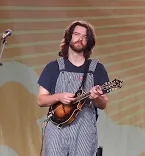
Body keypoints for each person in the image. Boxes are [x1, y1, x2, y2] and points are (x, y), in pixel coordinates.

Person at [37, 20, 110, 156]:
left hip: (84, 130)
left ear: (89, 42)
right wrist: (58, 97)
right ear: (69, 37)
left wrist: (96, 98)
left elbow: (104, 103)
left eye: (85, 36)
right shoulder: (53, 67)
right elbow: (41, 100)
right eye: (76, 34)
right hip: (56, 130)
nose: (80, 39)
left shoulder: (97, 69)